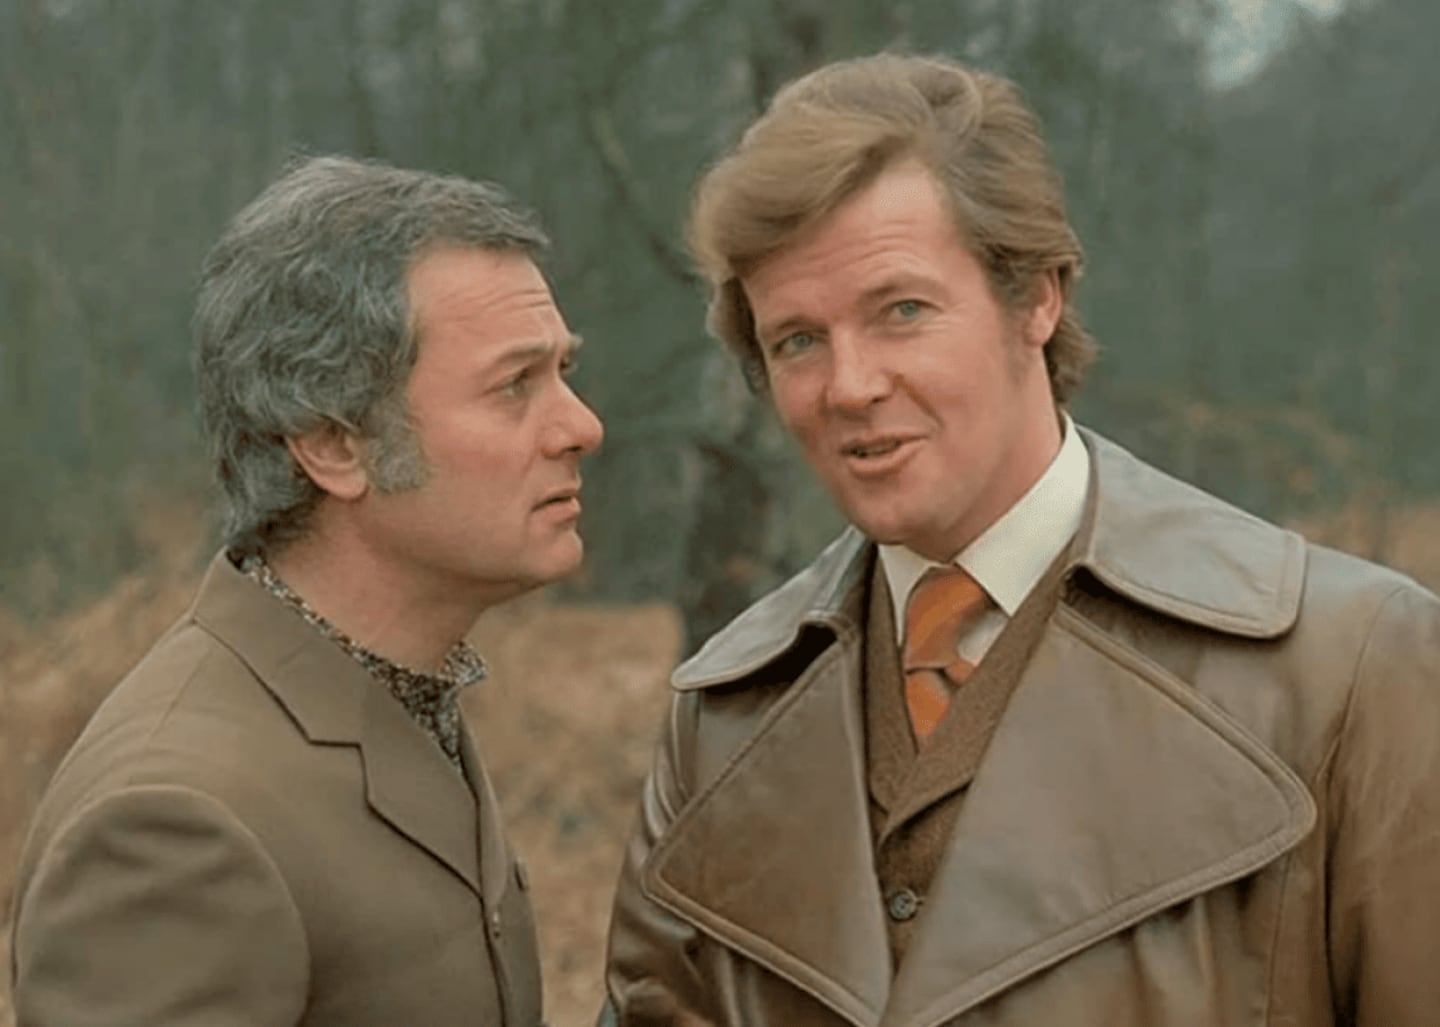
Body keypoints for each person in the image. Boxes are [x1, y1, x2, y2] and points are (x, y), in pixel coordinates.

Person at [602, 53, 1440, 1026]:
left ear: (1038, 297)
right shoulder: (722, 715)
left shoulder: (1350, 667)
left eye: (901, 311)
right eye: (797, 340)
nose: (849, 385)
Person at [11, 155, 603, 1026]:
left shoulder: (393, 692)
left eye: (562, 371)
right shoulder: (173, 824)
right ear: (333, 445)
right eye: (515, 384)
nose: (582, 425)